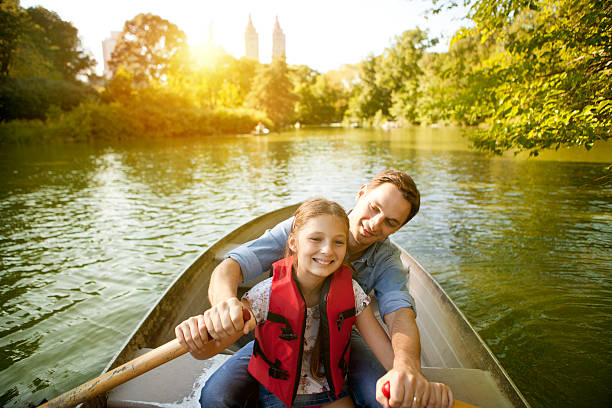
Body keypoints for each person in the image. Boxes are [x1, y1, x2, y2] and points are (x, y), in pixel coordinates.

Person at [198, 170, 454, 408]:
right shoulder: (307, 227)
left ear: (398, 229)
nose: (375, 224)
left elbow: (400, 314)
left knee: (382, 401)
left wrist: (407, 368)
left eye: (390, 222)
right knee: (216, 397)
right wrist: (224, 305)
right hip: (281, 330)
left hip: (342, 333)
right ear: (362, 193)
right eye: (374, 208)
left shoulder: (385, 260)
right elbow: (232, 266)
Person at [176, 198, 397, 407]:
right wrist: (195, 340)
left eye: (338, 242)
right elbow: (209, 349)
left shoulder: (352, 291)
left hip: (331, 391)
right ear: (293, 241)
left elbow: (386, 352)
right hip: (281, 396)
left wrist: (405, 375)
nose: (328, 250)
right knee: (215, 397)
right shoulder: (265, 295)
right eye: (315, 239)